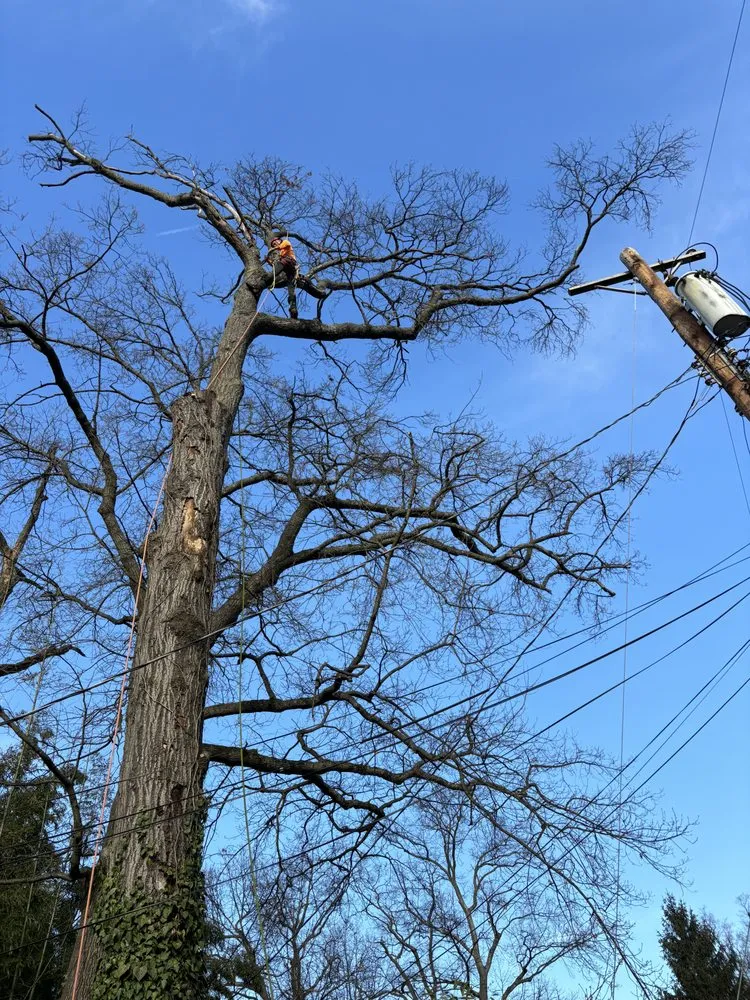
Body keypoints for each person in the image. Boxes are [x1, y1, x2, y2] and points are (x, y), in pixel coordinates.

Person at [267, 235, 299, 319]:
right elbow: (275, 266)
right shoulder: (281, 252)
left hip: (289, 262)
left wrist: (274, 249)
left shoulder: (285, 242)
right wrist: (269, 262)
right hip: (289, 269)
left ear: (279, 240)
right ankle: (293, 309)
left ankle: (265, 280)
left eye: (275, 242)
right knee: (291, 288)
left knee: (278, 266)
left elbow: (286, 245)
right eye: (273, 244)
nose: (275, 244)